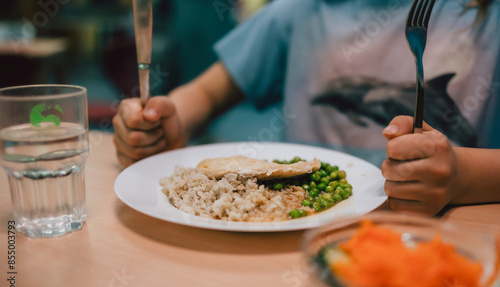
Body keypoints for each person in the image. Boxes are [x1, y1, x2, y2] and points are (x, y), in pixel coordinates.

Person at [112, 0, 500, 215]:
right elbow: (208, 93)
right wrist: (165, 121)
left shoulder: (488, 19)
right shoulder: (299, 10)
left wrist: (462, 176)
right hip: (293, 240)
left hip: (440, 237)